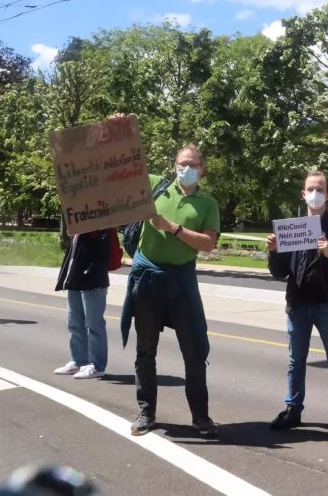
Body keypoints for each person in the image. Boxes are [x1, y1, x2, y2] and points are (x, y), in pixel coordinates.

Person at [120, 145, 220, 437]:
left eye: (191, 164)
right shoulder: (154, 186)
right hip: (148, 280)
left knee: (195, 352)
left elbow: (208, 244)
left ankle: (201, 416)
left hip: (182, 283)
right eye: (180, 163)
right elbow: (120, 171)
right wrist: (114, 132)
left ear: (202, 168)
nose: (185, 169)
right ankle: (146, 413)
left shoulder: (207, 204)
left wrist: (171, 227)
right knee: (145, 351)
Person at [266, 171, 328, 438]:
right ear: (303, 193)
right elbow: (278, 271)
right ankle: (293, 410)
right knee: (295, 361)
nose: (315, 193)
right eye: (311, 189)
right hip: (298, 306)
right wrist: (274, 252)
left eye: (320, 189)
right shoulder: (292, 229)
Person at [53, 229, 114, 380]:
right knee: (74, 323)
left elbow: (103, 251)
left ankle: (97, 365)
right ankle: (79, 361)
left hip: (93, 279)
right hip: (76, 277)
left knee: (94, 324)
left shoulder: (101, 223)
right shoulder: (78, 225)